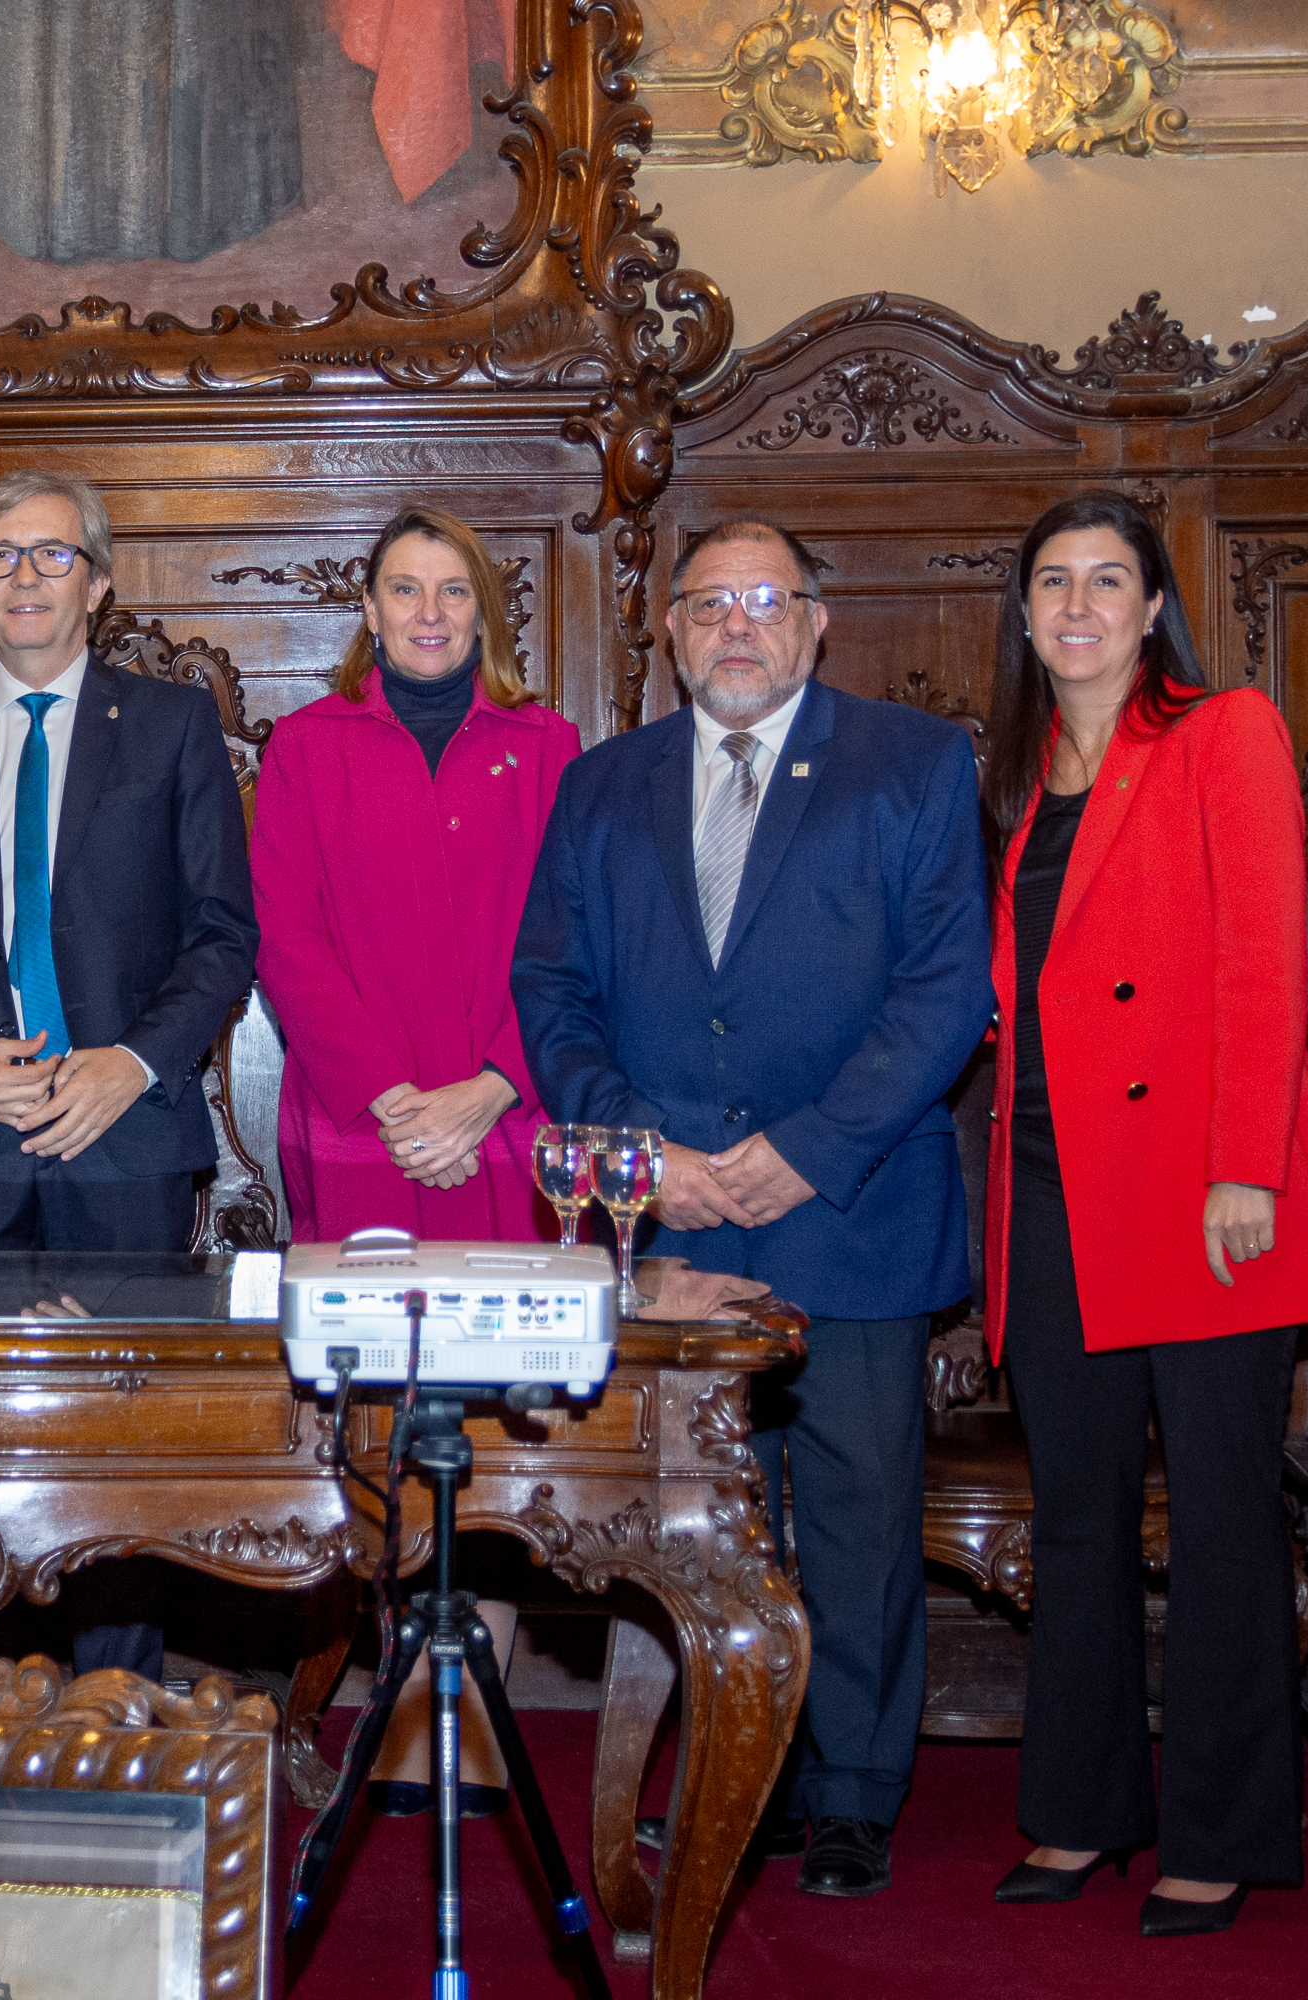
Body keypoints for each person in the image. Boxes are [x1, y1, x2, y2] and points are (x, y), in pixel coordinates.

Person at [512, 518, 993, 1896]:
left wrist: (805, 1150)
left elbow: (946, 990)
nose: (738, 624)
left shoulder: (911, 766)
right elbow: (552, 989)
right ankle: (749, 1779)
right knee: (708, 1527)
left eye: (765, 599)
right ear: (666, 631)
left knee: (852, 1517)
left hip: (849, 1209)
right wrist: (647, 1147)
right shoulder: (604, 786)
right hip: (667, 1220)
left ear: (816, 621)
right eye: (710, 602)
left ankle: (849, 1792)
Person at [977, 491, 1308, 1934]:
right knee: (1078, 1521)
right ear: (1023, 617)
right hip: (1045, 1190)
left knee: (1221, 1516)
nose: (1078, 605)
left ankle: (1222, 1832)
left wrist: (1245, 1168)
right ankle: (1081, 1813)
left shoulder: (1225, 733)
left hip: (1205, 1190)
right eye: (1052, 583)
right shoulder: (1021, 779)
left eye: (1109, 580)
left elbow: (1267, 959)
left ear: (1155, 608)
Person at [0, 468, 257, 1676]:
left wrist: (132, 1062)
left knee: (116, 1442)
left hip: (123, 1139)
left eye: (51, 555)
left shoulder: (175, 726)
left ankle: (115, 1708)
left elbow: (223, 934)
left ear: (101, 582)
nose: (25, 577)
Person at [249, 501, 580, 1815]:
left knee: (494, 1416)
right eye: (404, 588)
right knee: (381, 1420)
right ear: (369, 611)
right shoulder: (307, 746)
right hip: (358, 1125)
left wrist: (488, 1088)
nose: (429, 611)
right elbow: (289, 938)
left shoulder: (547, 747)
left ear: (482, 612)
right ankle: (399, 1693)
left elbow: (572, 937)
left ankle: (481, 1703)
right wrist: (393, 1098)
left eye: (453, 590)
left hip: (507, 1122)